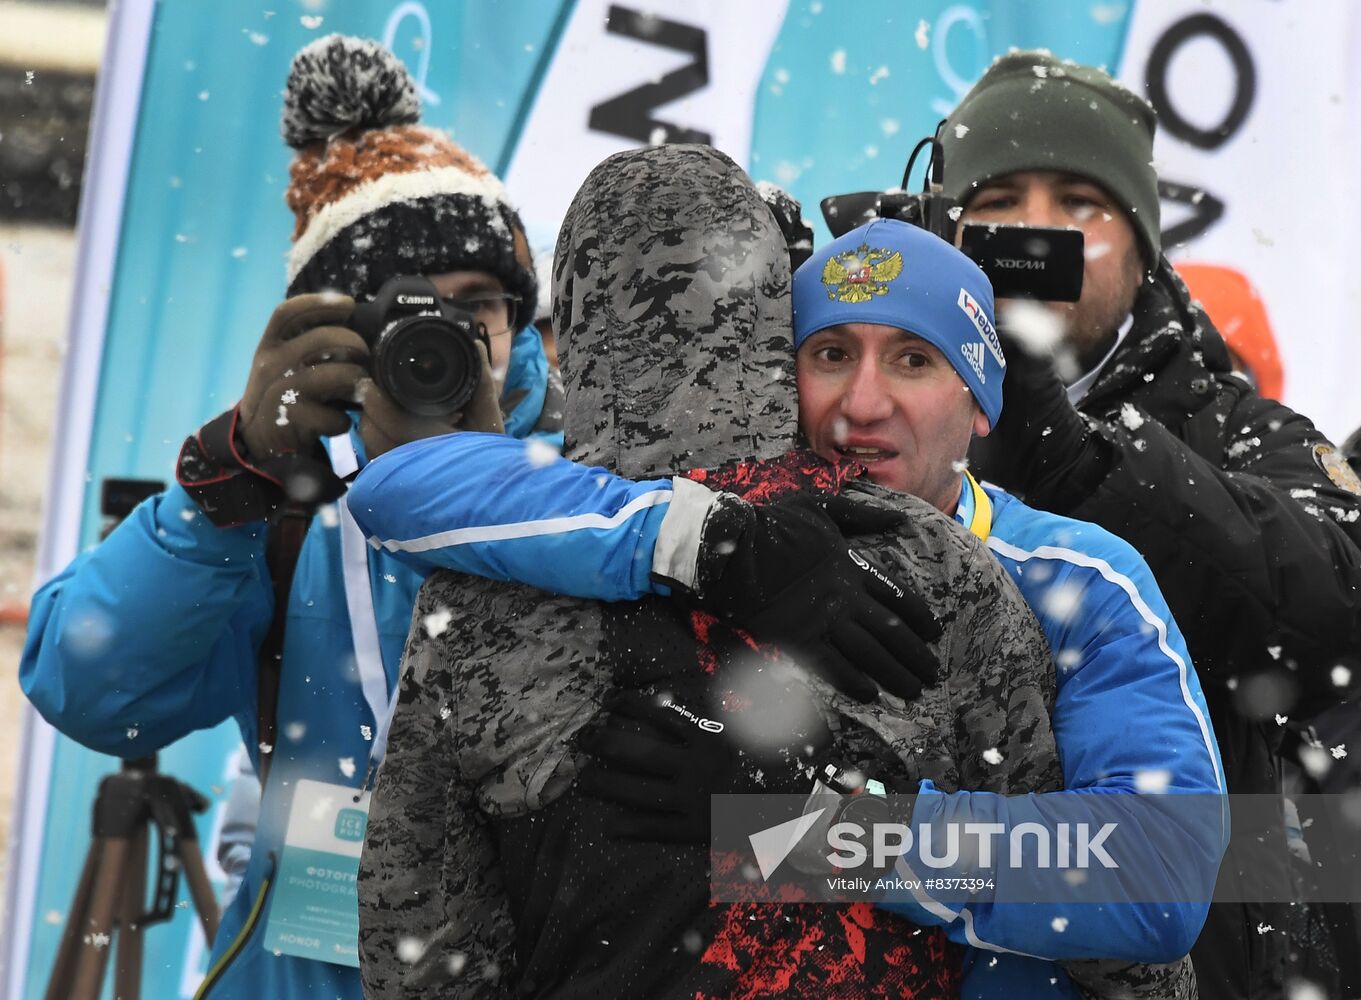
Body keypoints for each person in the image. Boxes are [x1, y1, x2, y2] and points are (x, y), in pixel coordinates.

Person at [350, 181, 1224, 995]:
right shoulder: (700, 517)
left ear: (980, 401)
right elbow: (401, 487)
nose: (862, 404)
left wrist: (805, 831)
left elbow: (1158, 877)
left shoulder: (1077, 580)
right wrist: (712, 547)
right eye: (830, 354)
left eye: (913, 360)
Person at [19, 34, 560, 1000]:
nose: (446, 336)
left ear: (523, 318)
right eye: (408, 309)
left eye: (478, 303)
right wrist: (218, 484)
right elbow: (84, 686)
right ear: (333, 327)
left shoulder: (591, 499)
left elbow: (743, 827)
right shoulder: (281, 515)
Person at [936, 49, 1361, 998]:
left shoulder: (1233, 429)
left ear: (1142, 250)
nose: (1035, 233)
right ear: (945, 224)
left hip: (1172, 951)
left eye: (1078, 203)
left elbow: (1331, 601)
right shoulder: (857, 393)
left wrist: (1084, 460)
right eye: (999, 201)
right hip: (901, 910)